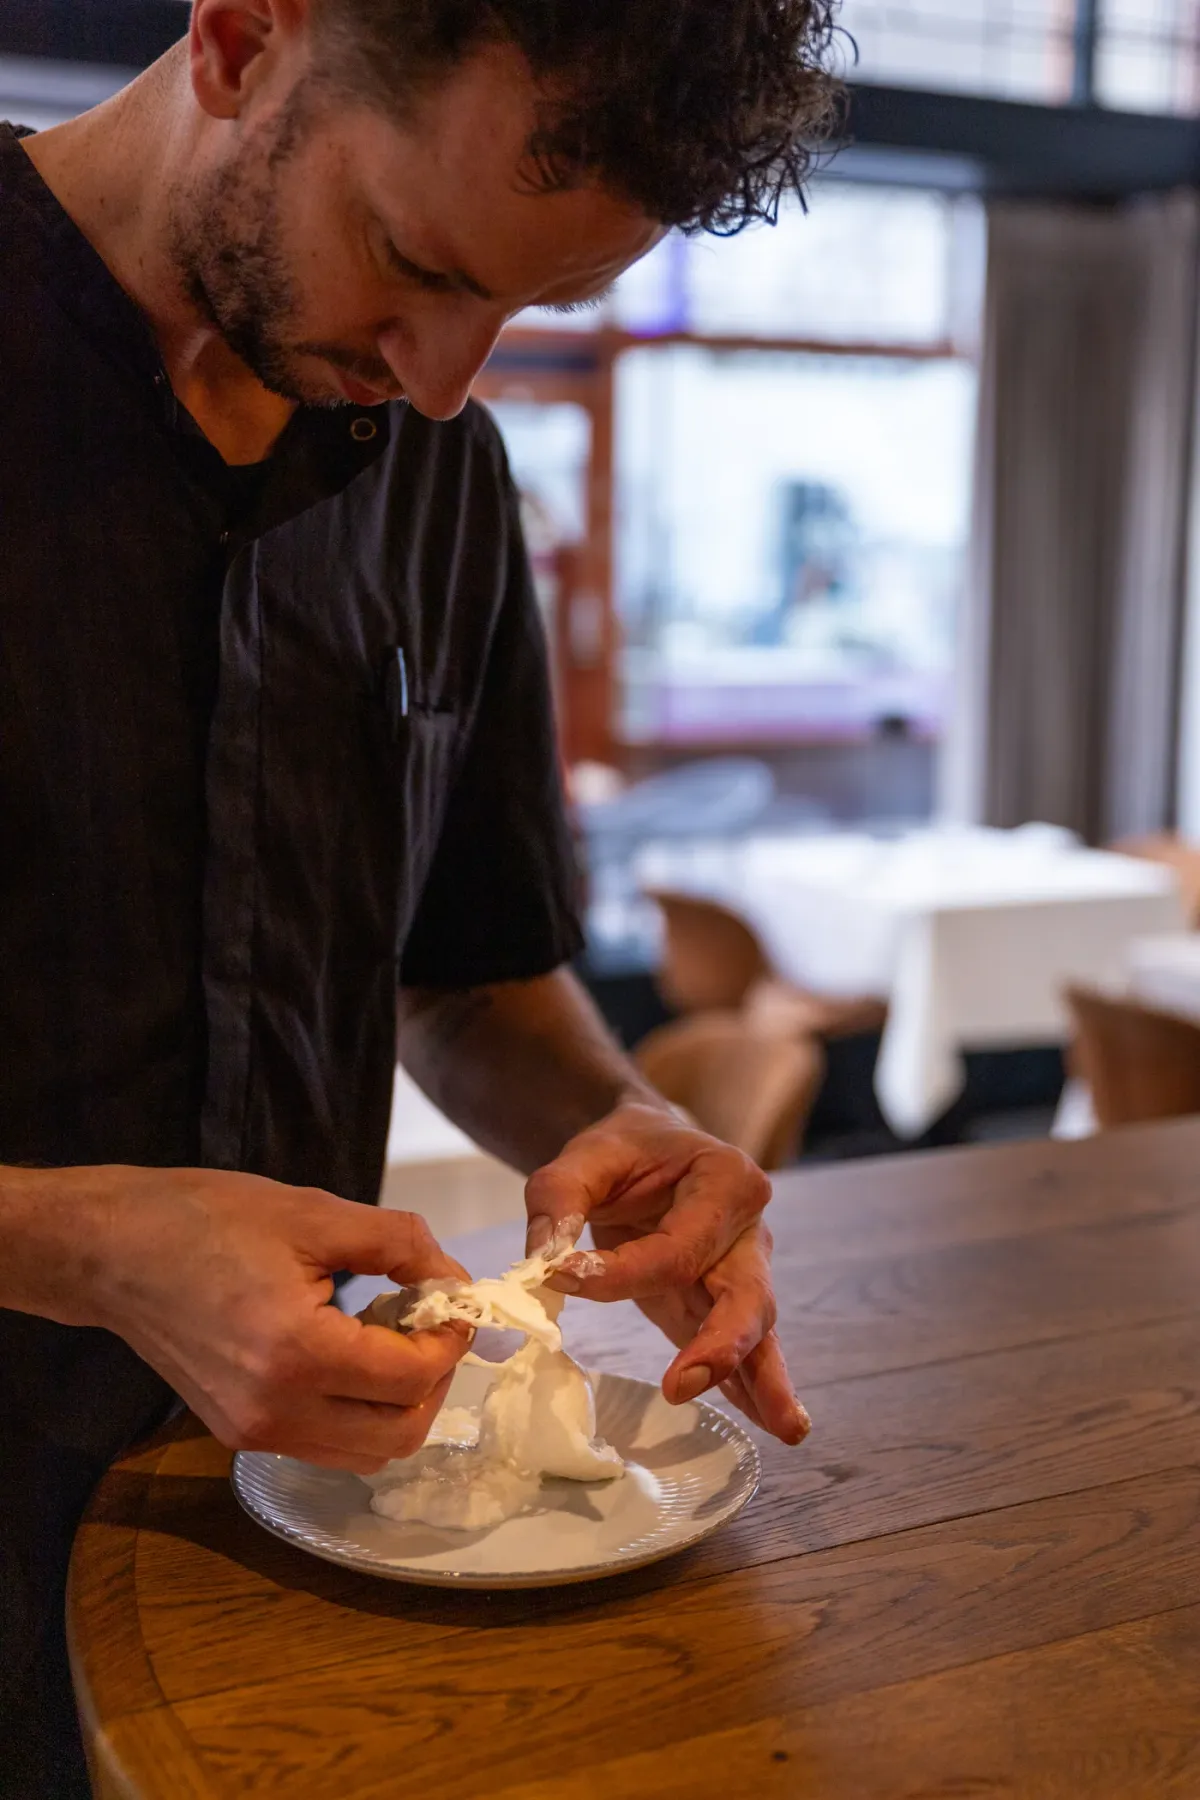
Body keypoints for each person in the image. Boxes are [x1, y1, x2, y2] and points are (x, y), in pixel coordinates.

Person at [0, 1, 838, 1791]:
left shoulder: (436, 458)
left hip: (295, 1560)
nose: (452, 377)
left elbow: (469, 977)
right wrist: (81, 1247)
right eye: (407, 261)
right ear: (240, 38)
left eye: (522, 311)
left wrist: (633, 1126)